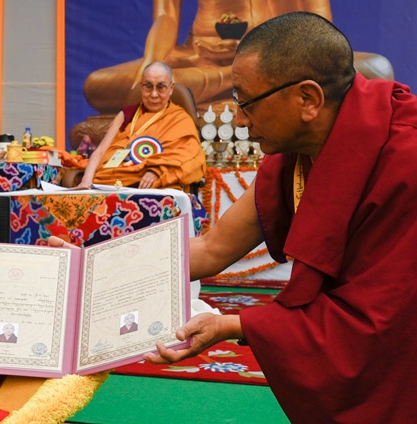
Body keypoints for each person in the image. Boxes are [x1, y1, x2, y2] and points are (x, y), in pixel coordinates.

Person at [143, 12, 417, 422]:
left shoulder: (406, 160)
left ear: (308, 99)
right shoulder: (295, 155)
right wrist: (87, 269)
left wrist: (233, 325)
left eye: (245, 101)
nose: (237, 119)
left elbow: (378, 325)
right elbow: (213, 248)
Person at [83, 0, 394, 114]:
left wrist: (269, 52)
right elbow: (165, 18)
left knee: (377, 69)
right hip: (198, 58)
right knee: (98, 84)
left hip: (276, 56)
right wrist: (151, 70)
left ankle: (245, 79)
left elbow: (320, 33)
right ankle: (240, 82)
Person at [76, 62, 205, 190]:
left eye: (160, 87)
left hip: (151, 186)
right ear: (141, 87)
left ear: (171, 88)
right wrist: (86, 181)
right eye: (148, 86)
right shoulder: (126, 115)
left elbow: (189, 156)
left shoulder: (180, 119)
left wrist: (156, 171)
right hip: (110, 182)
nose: (154, 94)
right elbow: (101, 151)